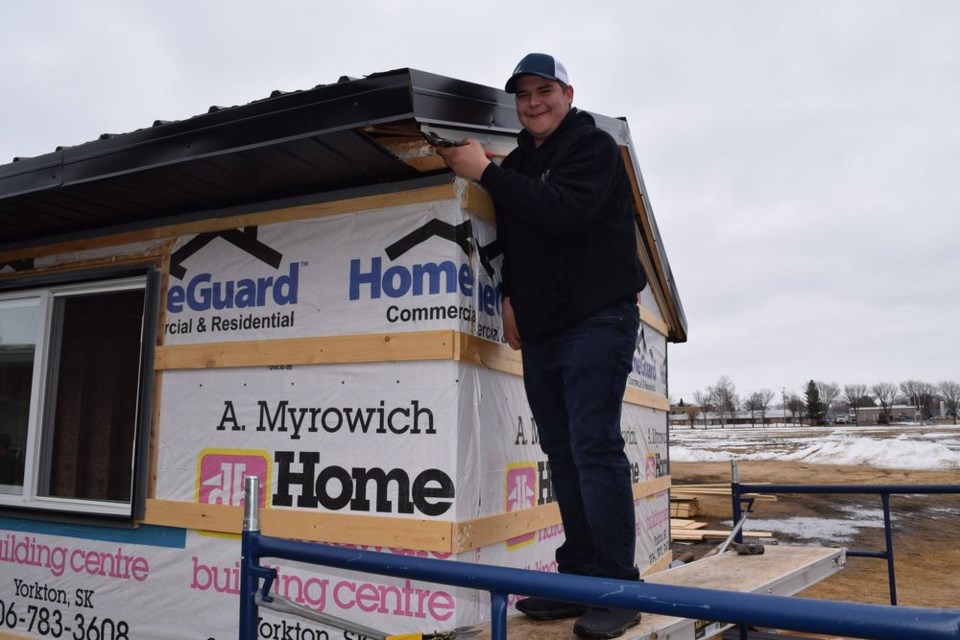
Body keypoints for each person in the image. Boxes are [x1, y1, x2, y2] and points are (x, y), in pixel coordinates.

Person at [438, 53, 647, 639]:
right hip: (543, 328)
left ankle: (617, 587)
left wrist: (486, 173)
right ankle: (579, 576)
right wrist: (507, 295)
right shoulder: (521, 163)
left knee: (594, 445)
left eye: (544, 90)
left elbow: (567, 213)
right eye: (523, 94)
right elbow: (514, 240)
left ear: (568, 93)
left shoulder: (593, 147)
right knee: (561, 451)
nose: (533, 102)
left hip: (597, 318)